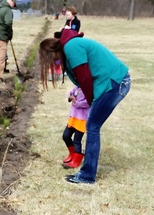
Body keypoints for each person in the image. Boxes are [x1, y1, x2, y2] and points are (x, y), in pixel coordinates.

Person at [39, 29, 131, 184]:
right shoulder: (69, 49)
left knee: (92, 126)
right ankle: (88, 171)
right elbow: (82, 81)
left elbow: (85, 78)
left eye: (51, 60)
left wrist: (89, 103)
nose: (53, 64)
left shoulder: (71, 47)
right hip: (113, 81)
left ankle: (87, 176)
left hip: (115, 82)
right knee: (92, 126)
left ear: (53, 52)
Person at [62, 85, 89, 169]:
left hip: (82, 119)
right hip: (73, 116)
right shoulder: (77, 86)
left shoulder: (88, 88)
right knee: (66, 136)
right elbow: (71, 93)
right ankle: (72, 154)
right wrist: (70, 97)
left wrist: (76, 102)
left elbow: (88, 102)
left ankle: (76, 161)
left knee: (77, 140)